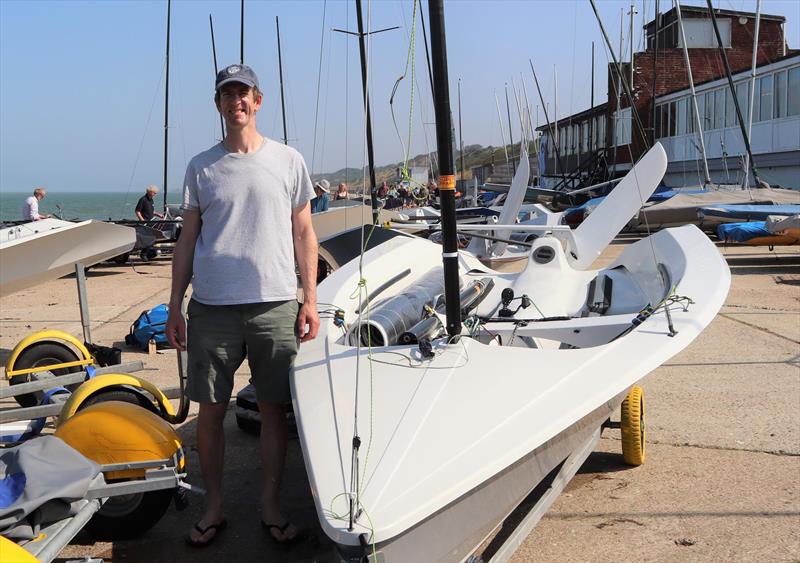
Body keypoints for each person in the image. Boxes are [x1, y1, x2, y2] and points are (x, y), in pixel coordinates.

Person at [165, 63, 319, 547]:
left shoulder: (289, 160)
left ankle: (270, 506)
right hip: (211, 308)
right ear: (218, 104)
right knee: (210, 412)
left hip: (274, 304)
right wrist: (174, 304)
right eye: (227, 94)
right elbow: (187, 240)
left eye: (244, 93)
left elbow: (303, 231)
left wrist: (309, 297)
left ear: (258, 100)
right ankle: (214, 508)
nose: (236, 101)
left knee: (273, 411)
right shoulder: (200, 167)